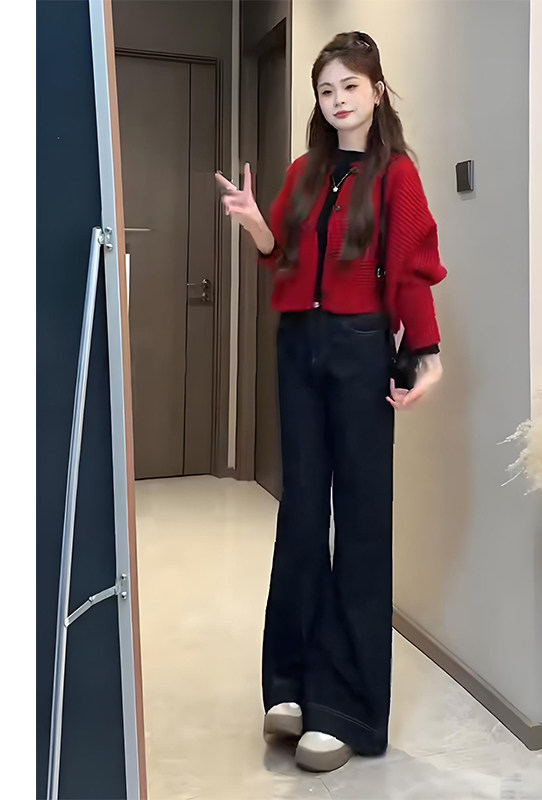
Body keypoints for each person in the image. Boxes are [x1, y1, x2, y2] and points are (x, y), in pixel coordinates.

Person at [215, 30, 447, 772]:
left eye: (350, 85)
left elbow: (411, 270)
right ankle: (290, 685)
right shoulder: (305, 171)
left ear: (376, 91)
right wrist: (255, 221)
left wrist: (426, 352)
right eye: (326, 89)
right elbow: (280, 255)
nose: (338, 99)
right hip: (298, 347)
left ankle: (344, 707)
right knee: (302, 515)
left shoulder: (397, 175)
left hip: (359, 349)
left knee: (362, 522)